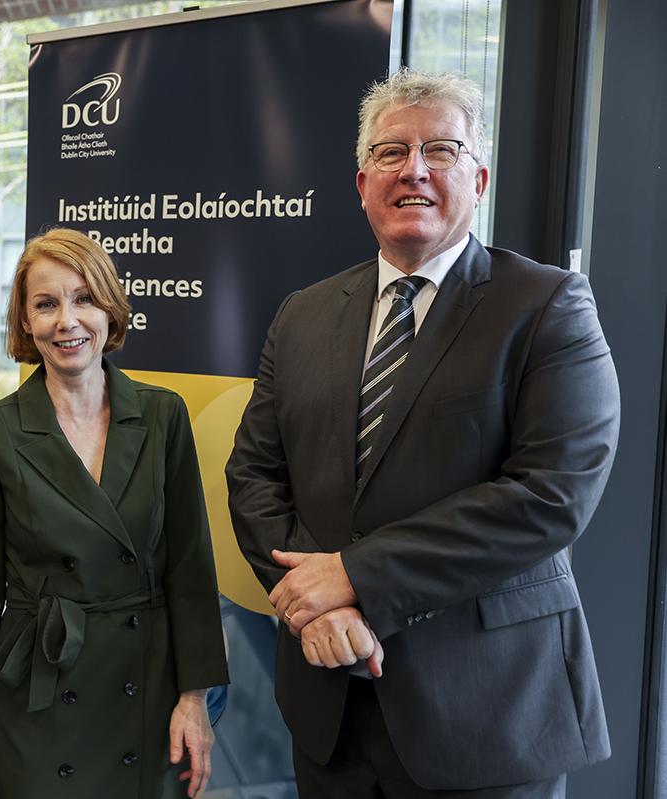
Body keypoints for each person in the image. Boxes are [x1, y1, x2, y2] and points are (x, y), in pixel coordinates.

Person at [226, 68, 619, 798]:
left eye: (441, 150)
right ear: (361, 182)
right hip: (330, 700)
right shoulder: (302, 314)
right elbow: (253, 475)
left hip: (487, 715)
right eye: (391, 152)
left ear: (480, 178)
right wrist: (312, 601)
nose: (414, 169)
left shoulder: (547, 307)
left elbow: (549, 493)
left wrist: (356, 576)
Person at [0, 228, 229, 799]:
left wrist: (194, 700)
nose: (67, 321)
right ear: (25, 321)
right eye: (46, 304)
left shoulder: (163, 416)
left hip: (144, 684)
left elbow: (190, 571)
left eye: (84, 298)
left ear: (110, 308)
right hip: (38, 691)